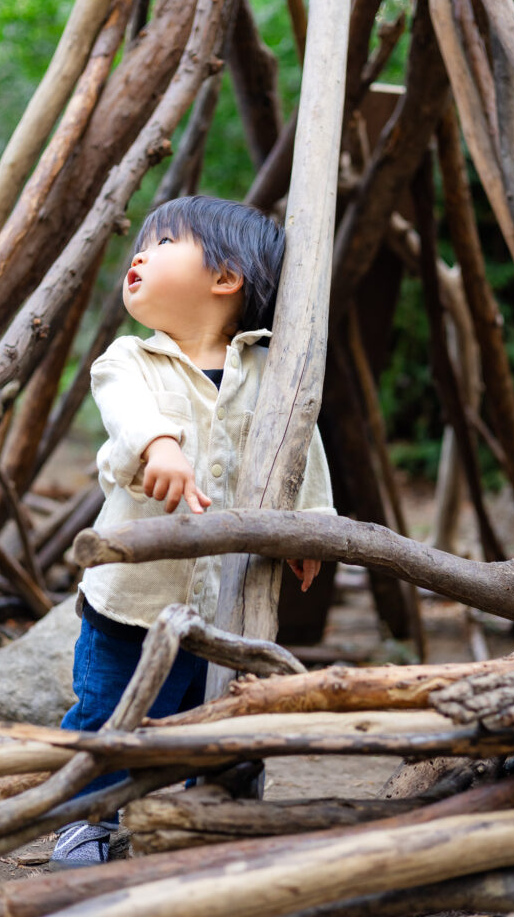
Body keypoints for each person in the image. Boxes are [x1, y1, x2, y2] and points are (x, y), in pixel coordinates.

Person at [51, 195, 334, 867]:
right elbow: (125, 413)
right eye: (140, 245)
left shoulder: (273, 372)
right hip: (134, 594)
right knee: (110, 709)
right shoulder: (131, 361)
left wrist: (309, 529)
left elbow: (303, 447)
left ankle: (193, 818)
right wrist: (158, 446)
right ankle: (84, 819)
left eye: (164, 241)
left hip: (226, 596)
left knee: (200, 715)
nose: (139, 255)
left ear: (225, 278)